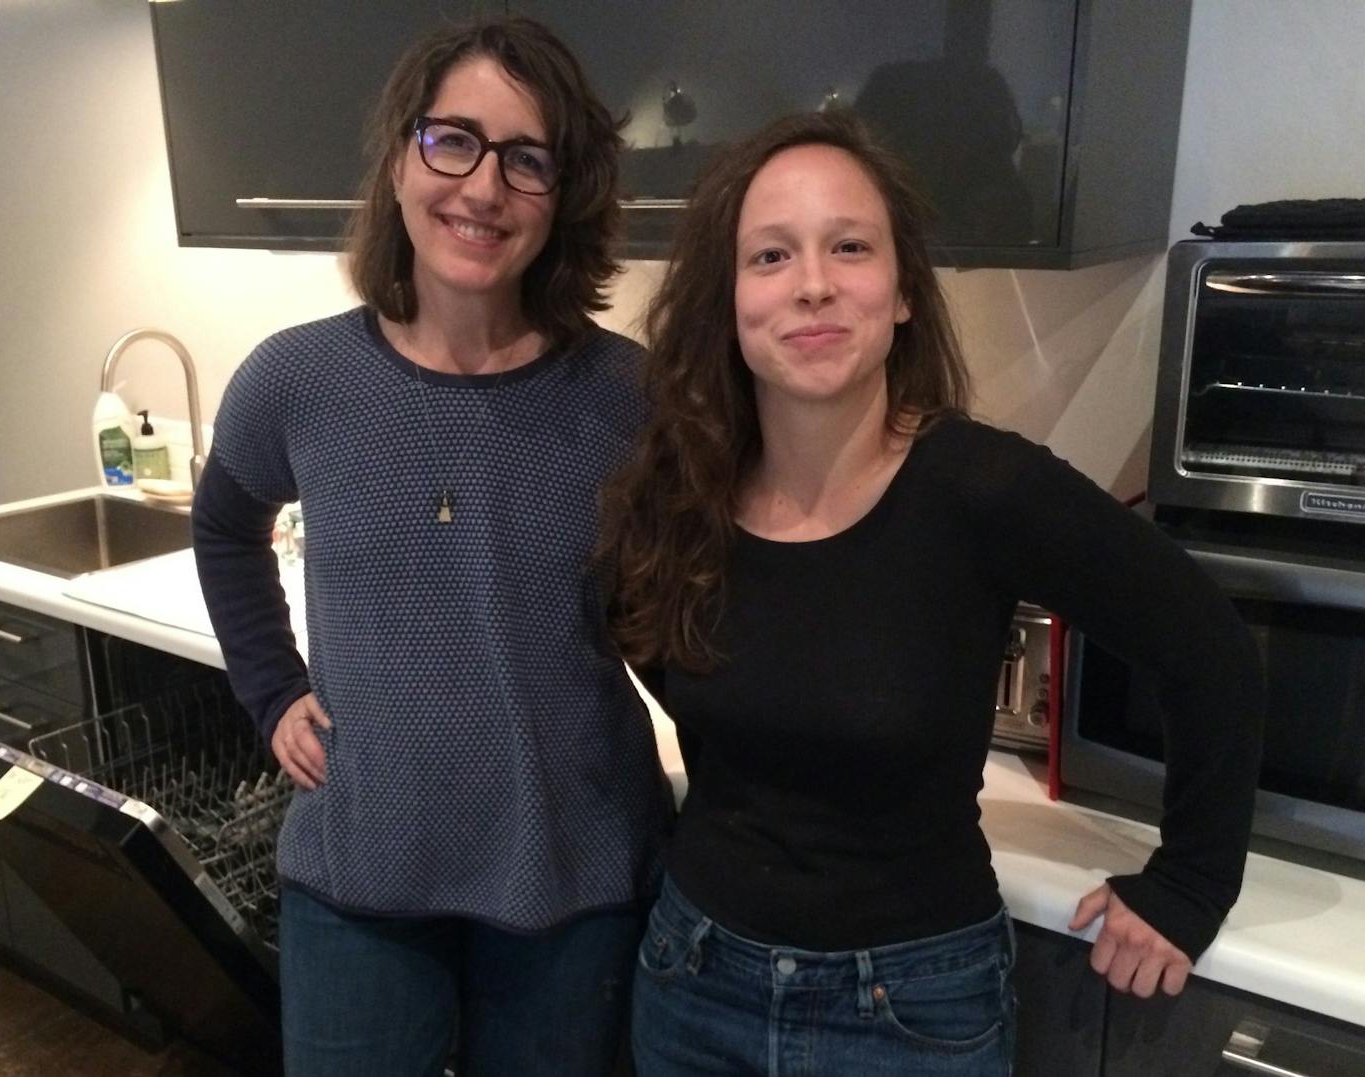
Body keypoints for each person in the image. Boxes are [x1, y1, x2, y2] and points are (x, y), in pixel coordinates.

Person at [600, 109, 1265, 1076]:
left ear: (903, 289)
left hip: (911, 1010)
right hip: (694, 982)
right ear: (728, 298)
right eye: (772, 255)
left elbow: (1211, 651)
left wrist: (1192, 882)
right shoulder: (681, 487)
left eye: (851, 247)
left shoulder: (983, 489)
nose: (814, 284)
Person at [191, 17, 671, 1077]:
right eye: (452, 139)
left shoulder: (625, 400)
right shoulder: (297, 380)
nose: (482, 188)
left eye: (526, 159)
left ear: (564, 195)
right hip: (360, 873)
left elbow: (682, 615)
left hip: (569, 877)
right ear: (401, 157)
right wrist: (271, 689)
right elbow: (224, 527)